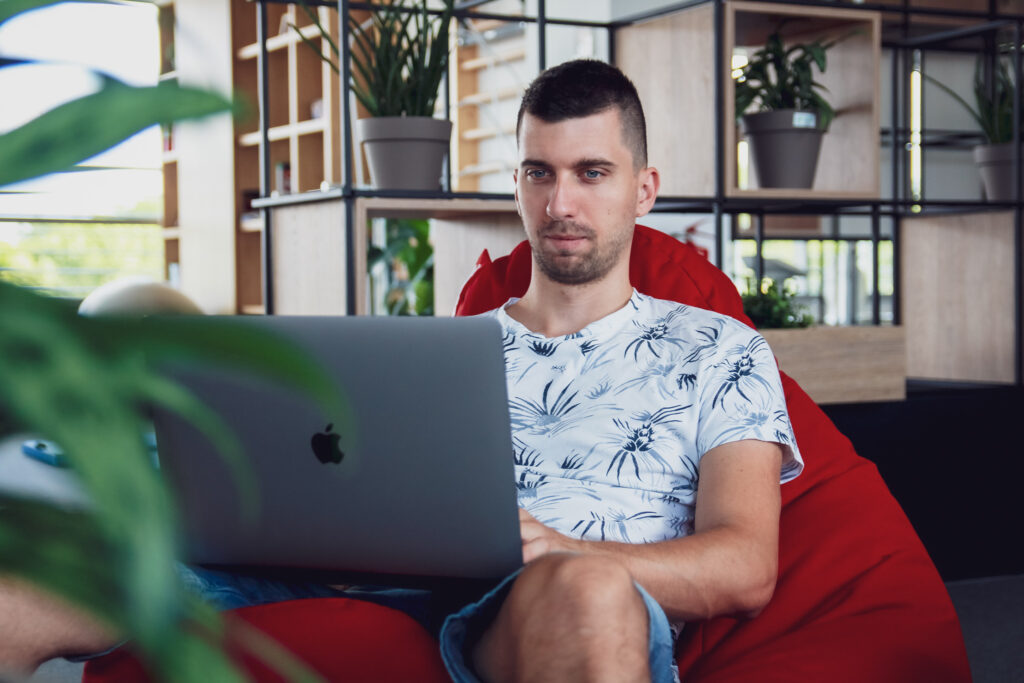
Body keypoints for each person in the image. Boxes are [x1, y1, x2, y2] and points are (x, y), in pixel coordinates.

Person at [0, 59, 801, 683]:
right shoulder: (437, 354)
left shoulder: (721, 350)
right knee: (41, 568)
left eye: (592, 172)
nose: (561, 203)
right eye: (538, 172)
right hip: (359, 573)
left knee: (588, 591)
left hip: (533, 600)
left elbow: (744, 565)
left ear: (643, 190)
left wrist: (558, 548)